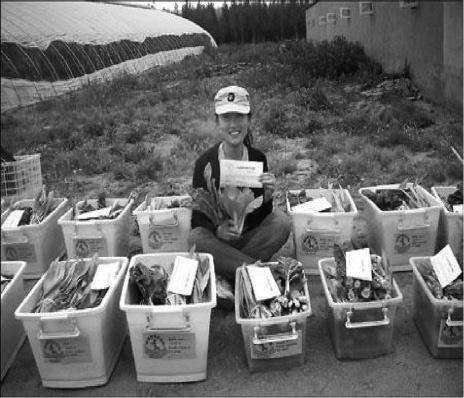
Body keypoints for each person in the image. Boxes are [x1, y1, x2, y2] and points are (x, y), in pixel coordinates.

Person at [188, 85, 291, 287]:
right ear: (217, 122)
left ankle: (228, 273)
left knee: (281, 222)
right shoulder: (205, 163)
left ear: (249, 120)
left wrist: (267, 199)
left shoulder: (257, 158)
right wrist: (217, 230)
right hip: (219, 242)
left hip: (248, 238)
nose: (233, 124)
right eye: (227, 118)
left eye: (239, 117)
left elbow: (261, 216)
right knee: (196, 238)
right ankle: (255, 273)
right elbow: (198, 219)